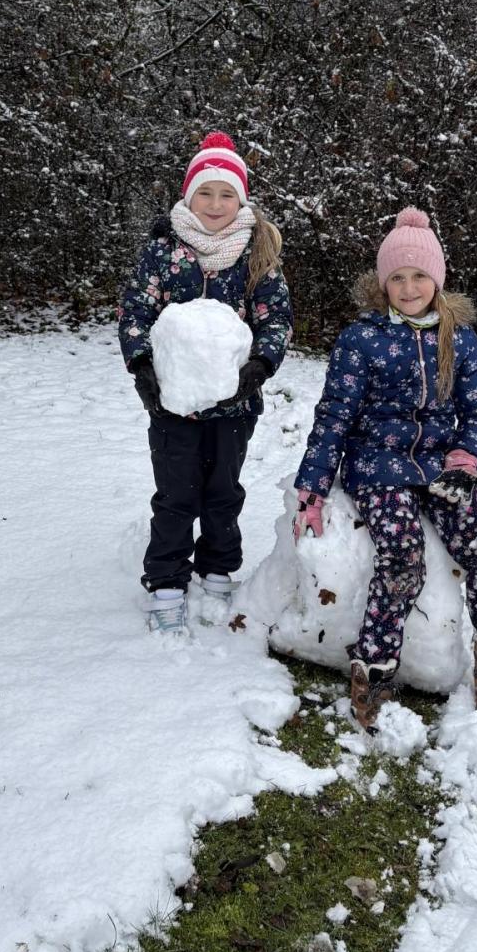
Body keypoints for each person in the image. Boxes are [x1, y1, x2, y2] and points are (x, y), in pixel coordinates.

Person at [291, 208, 477, 729]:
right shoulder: (361, 339)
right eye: (397, 277)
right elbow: (335, 416)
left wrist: (466, 459)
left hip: (442, 467)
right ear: (383, 283)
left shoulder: (458, 337)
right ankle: (373, 670)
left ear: (437, 279)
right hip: (378, 467)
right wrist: (313, 489)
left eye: (419, 276)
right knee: (403, 557)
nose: (409, 288)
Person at [118, 132, 293, 636]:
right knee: (175, 494)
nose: (215, 204)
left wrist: (260, 365)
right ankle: (166, 582)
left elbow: (276, 318)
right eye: (206, 193)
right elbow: (135, 311)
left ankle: (218, 570)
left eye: (226, 194)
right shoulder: (163, 252)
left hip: (234, 406)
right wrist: (142, 366)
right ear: (188, 196)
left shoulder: (256, 254)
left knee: (222, 492)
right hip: (172, 404)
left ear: (241, 200)